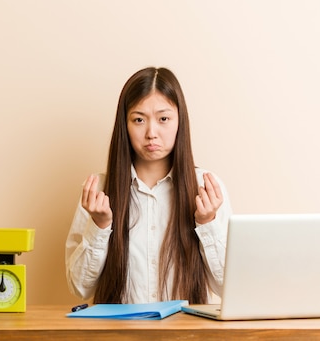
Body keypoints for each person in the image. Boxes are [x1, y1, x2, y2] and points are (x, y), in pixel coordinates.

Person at [65, 67, 232, 304]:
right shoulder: (99, 191)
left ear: (179, 121)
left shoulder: (206, 188)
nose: (151, 133)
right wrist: (100, 226)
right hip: (120, 336)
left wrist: (207, 223)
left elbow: (228, 287)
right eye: (139, 120)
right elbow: (79, 288)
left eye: (163, 119)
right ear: (125, 124)